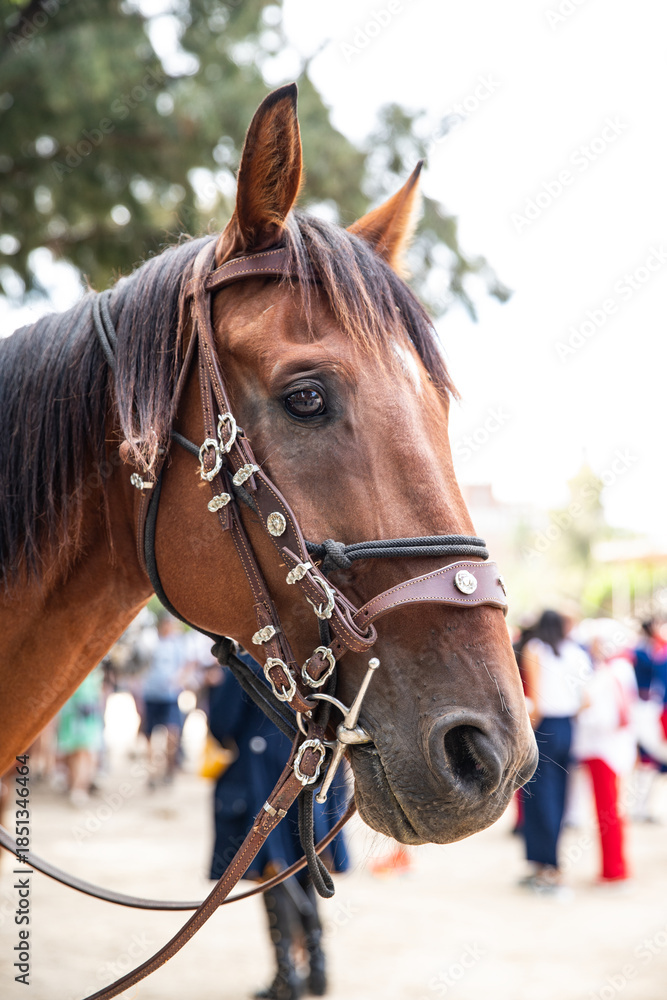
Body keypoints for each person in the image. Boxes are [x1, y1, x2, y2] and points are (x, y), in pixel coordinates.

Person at [208, 652, 349, 1000]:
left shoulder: (248, 660)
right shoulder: (320, 657)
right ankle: (316, 970)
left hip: (264, 780)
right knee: (303, 869)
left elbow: (221, 725)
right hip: (311, 772)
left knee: (275, 874)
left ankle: (287, 976)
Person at [519, 609, 591, 892]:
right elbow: (586, 700)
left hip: (544, 727)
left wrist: (529, 731)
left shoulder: (536, 648)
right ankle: (546, 863)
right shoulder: (575, 652)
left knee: (538, 796)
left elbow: (535, 699)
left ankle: (546, 866)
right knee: (558, 794)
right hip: (567, 727)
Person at [572, 635, 637, 883]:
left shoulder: (606, 675)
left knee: (607, 814)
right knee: (611, 812)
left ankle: (613, 870)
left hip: (601, 750)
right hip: (614, 749)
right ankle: (614, 867)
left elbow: (606, 718)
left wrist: (580, 714)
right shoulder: (620, 670)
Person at [139, 611, 190, 785]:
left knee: (172, 733)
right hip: (151, 694)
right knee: (150, 735)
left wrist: (178, 680)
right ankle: (152, 772)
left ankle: (169, 767)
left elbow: (187, 665)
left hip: (170, 696)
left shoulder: (178, 644)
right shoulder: (150, 642)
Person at [56, 665, 105, 807]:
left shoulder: (96, 670)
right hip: (72, 715)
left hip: (88, 715)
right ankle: (76, 787)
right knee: (75, 752)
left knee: (86, 753)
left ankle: (80, 787)